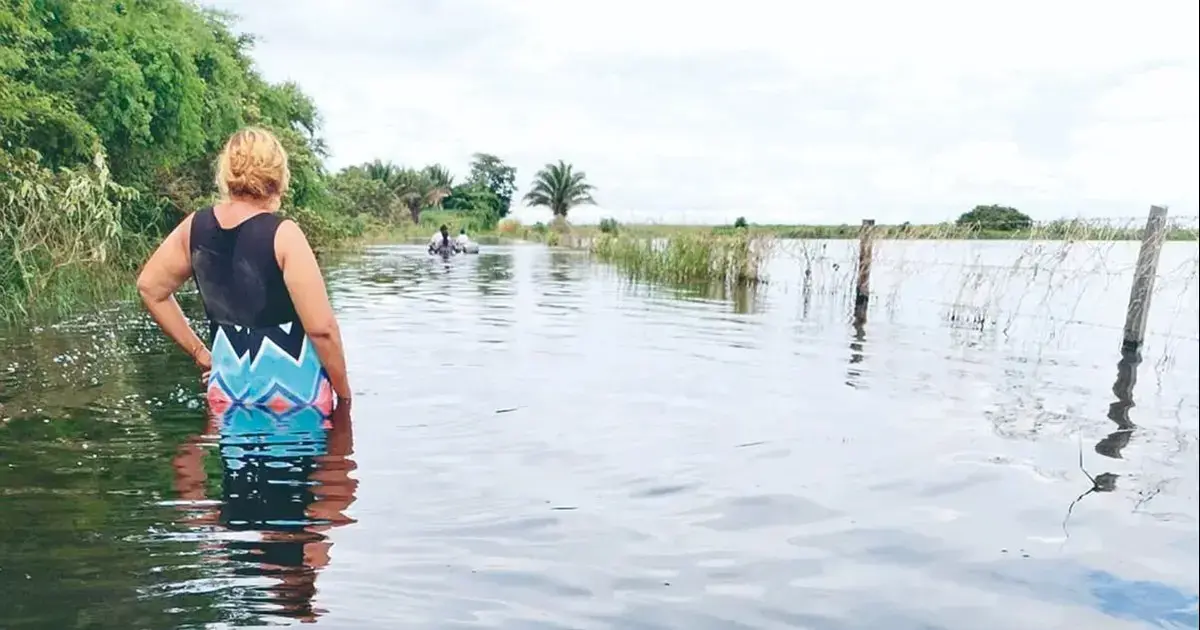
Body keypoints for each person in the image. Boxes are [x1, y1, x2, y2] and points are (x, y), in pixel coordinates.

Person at [136, 126, 351, 416]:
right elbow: (322, 330)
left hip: (227, 392)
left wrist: (200, 353)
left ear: (226, 173)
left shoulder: (194, 227)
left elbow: (150, 287)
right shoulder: (284, 234)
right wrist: (345, 397)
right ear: (278, 176)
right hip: (296, 398)